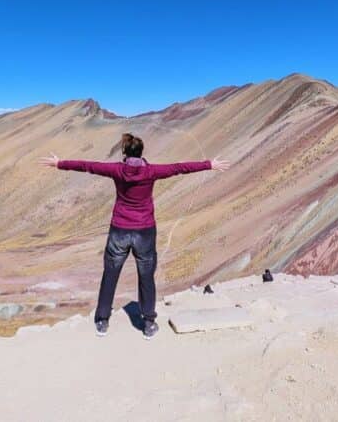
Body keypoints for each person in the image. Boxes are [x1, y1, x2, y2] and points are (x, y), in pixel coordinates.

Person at [39, 133, 230, 339]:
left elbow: (88, 166)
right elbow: (179, 168)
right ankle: (148, 324)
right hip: (144, 231)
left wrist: (59, 163)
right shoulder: (151, 171)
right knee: (146, 277)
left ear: (125, 152)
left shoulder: (116, 170)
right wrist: (209, 164)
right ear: (141, 152)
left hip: (119, 230)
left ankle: (102, 321)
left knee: (110, 274)